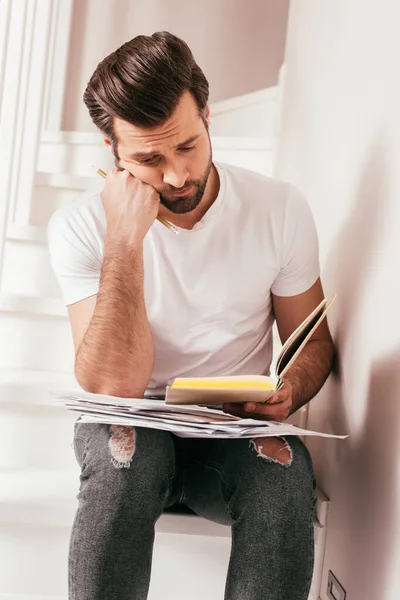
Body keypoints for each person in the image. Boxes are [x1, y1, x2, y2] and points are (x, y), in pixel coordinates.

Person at [48, 31, 334, 600]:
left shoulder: (278, 208)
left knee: (284, 473)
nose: (176, 175)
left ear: (206, 116)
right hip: (132, 420)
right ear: (113, 152)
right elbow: (113, 385)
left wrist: (289, 388)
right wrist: (125, 243)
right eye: (149, 159)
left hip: (229, 428)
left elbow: (314, 341)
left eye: (187, 145)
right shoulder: (81, 226)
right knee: (123, 457)